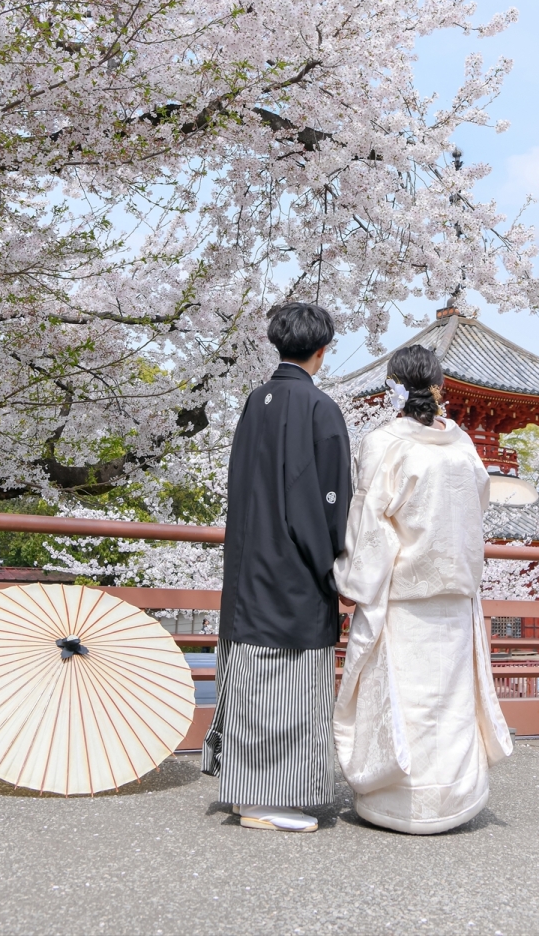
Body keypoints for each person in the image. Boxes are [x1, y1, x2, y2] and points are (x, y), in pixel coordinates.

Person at [333, 344, 512, 835]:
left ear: (394, 384)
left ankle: (397, 802)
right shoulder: (463, 447)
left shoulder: (384, 442)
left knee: (403, 697)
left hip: (404, 594)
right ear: (439, 385)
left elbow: (373, 526)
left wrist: (352, 583)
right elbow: (476, 512)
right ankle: (452, 799)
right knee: (449, 701)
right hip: (454, 594)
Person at [202, 302, 351, 832]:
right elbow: (330, 503)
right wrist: (333, 565)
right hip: (293, 573)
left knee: (252, 682)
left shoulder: (254, 401)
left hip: (247, 570)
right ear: (322, 350)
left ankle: (247, 793)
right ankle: (273, 803)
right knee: (293, 687)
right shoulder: (320, 409)